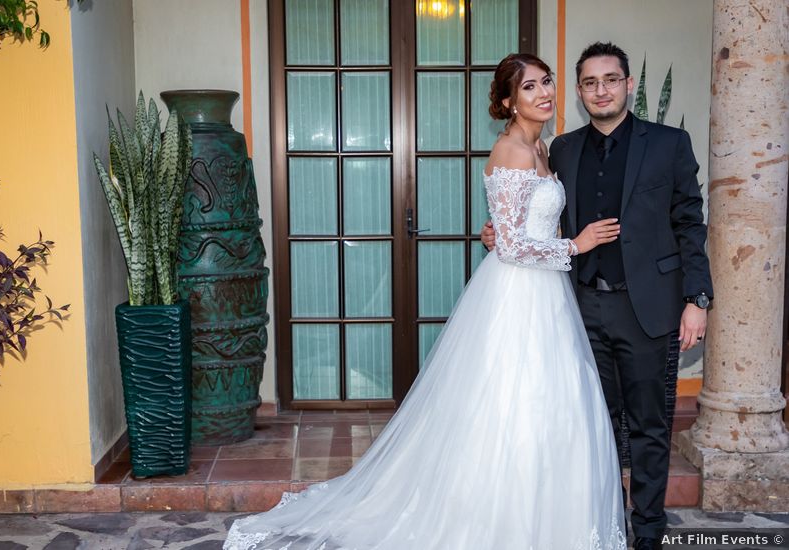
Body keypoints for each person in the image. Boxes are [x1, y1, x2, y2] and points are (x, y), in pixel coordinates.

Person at [224, 53, 626, 550]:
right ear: (506, 101)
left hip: (546, 292)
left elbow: (515, 230)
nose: (544, 93)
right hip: (518, 295)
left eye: (546, 83)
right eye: (529, 88)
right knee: (510, 404)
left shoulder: (542, 148)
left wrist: (502, 234)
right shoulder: (512, 152)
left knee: (553, 406)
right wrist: (576, 245)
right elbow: (518, 246)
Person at [481, 42, 713, 550]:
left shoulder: (670, 144)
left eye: (610, 79)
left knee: (651, 423)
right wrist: (499, 232)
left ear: (628, 84)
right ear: (581, 92)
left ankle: (648, 531)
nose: (600, 89)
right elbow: (535, 216)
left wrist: (697, 300)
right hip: (578, 308)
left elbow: (690, 224)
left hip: (647, 309)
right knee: (589, 425)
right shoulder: (561, 148)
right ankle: (600, 521)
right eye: (589, 82)